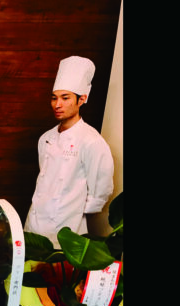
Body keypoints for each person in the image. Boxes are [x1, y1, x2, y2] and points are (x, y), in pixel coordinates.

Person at [24, 56, 114, 247]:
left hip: (67, 230)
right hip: (34, 224)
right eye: (54, 98)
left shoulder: (91, 141)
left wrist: (70, 210)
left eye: (65, 98)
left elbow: (101, 190)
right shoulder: (46, 138)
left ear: (82, 99)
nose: (57, 105)